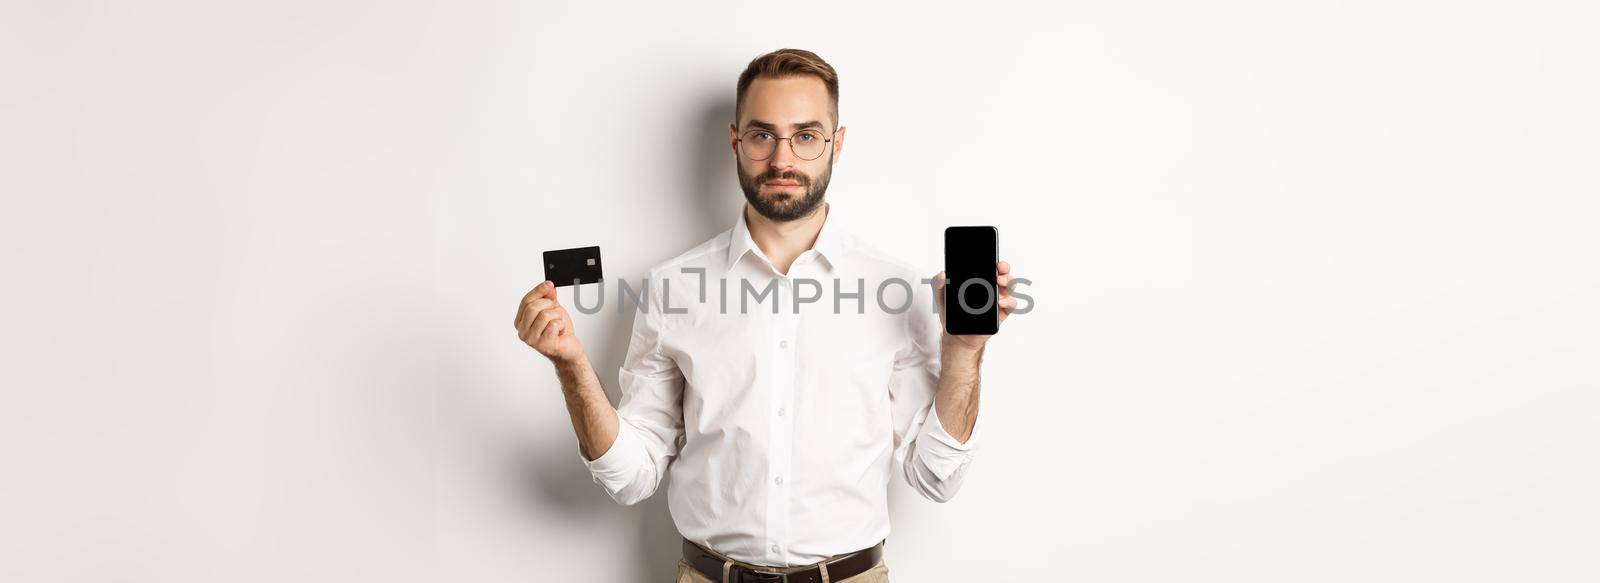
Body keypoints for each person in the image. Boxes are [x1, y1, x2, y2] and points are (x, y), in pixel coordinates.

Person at [513, 48, 1019, 582]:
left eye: (806, 136)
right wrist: (570, 365)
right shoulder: (671, 288)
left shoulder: (894, 290)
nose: (782, 160)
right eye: (762, 135)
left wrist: (964, 351)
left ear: (836, 144)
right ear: (736, 140)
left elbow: (935, 478)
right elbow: (630, 479)